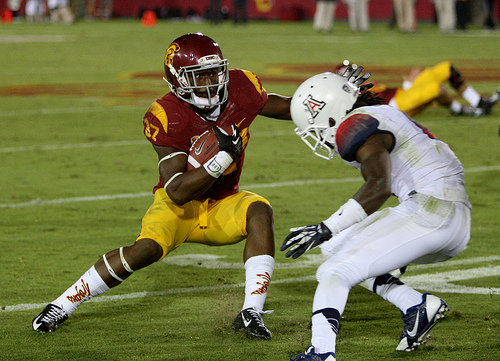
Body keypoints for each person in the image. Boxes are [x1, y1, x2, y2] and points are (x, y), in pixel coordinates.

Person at [32, 32, 294, 341]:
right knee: (143, 250)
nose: (211, 81)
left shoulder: (240, 88)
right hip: (178, 208)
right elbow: (178, 190)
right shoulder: (166, 114)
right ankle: (62, 304)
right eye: (200, 75)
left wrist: (337, 99)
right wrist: (222, 159)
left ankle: (252, 311)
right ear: (178, 79)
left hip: (224, 203)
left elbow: (287, 106)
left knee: (260, 211)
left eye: (214, 72)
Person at [281, 71, 472, 360]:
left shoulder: (353, 126)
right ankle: (415, 306)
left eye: (317, 127)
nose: (319, 136)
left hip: (432, 212)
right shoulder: (375, 113)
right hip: (445, 214)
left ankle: (321, 352)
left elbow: (379, 186)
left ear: (333, 114)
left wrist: (326, 226)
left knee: (335, 271)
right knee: (335, 247)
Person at [336, 61, 500, 117]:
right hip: (397, 105)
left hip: (403, 94)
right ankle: (460, 110)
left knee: (446, 69)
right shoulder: (351, 95)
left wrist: (409, 84)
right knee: (436, 89)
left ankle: (479, 102)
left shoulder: (361, 85)